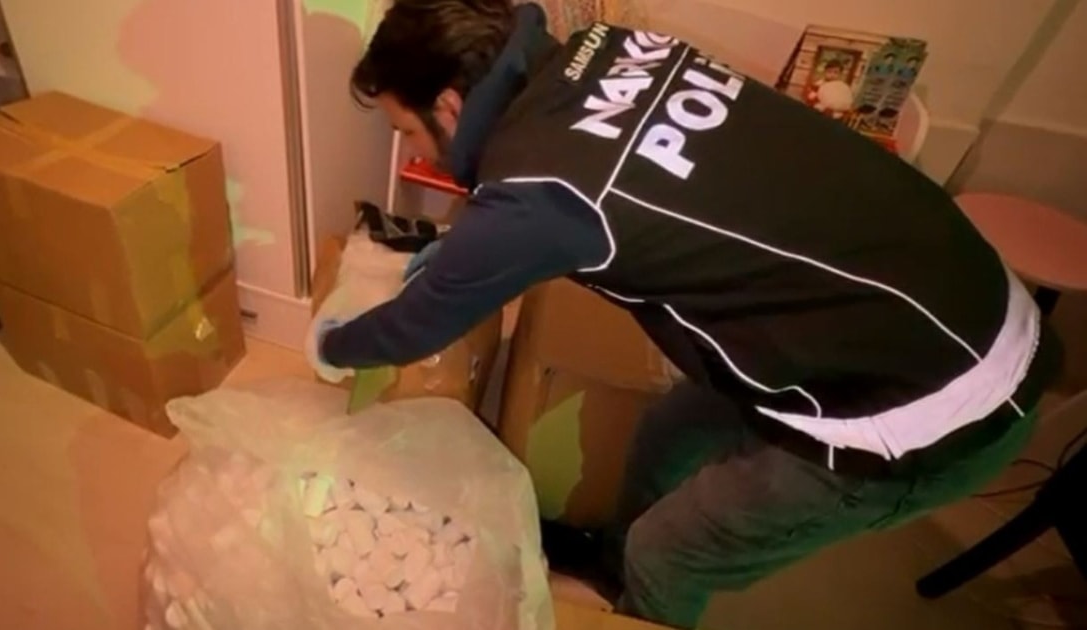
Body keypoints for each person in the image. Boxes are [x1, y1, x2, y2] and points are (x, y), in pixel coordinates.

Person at [315, 1, 1062, 627]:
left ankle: (638, 600)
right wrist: (465, 249)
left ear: (450, 105)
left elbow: (417, 324)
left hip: (927, 404)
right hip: (955, 286)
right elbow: (581, 184)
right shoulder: (612, 49)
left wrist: (334, 342)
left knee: (669, 555)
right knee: (667, 432)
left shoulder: (537, 196)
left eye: (409, 131)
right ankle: (612, 563)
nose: (417, 148)